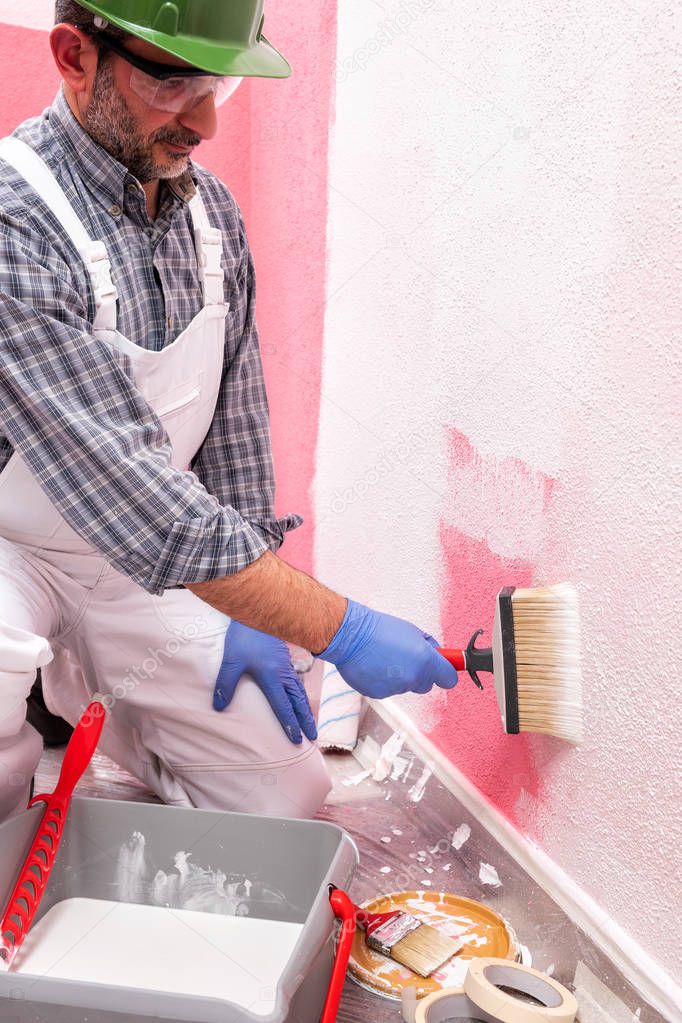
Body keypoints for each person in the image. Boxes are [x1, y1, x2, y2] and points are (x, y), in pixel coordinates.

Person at [0, 0, 458, 824]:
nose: (205, 119)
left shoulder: (210, 216)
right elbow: (138, 495)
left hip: (137, 561)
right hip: (13, 549)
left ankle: (127, 729)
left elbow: (233, 430)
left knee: (286, 800)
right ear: (74, 55)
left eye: (216, 82)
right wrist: (339, 627)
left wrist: (255, 618)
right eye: (174, 82)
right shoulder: (14, 222)